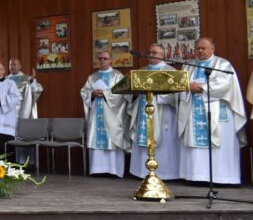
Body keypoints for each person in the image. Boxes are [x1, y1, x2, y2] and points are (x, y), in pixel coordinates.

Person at [177, 37, 246, 184]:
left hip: (217, 110)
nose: (200, 51)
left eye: (203, 48)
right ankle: (196, 176)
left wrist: (201, 88)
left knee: (219, 144)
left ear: (212, 49)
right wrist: (188, 87)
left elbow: (225, 84)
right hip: (193, 109)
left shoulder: (223, 64)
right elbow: (181, 84)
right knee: (195, 146)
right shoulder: (188, 66)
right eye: (198, 48)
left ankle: (223, 178)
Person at [128, 44, 180, 180]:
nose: (151, 54)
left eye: (155, 52)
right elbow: (132, 91)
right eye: (149, 52)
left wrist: (158, 97)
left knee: (164, 141)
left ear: (162, 55)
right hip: (143, 110)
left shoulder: (171, 71)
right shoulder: (141, 71)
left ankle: (165, 173)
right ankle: (141, 172)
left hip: (163, 112)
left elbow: (176, 93)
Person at [80, 51, 130, 178]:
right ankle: (97, 169)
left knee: (112, 138)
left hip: (113, 115)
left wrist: (105, 93)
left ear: (110, 61)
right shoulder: (92, 77)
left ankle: (114, 170)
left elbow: (124, 93)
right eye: (100, 58)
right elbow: (84, 91)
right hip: (97, 112)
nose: (102, 61)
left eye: (105, 58)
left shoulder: (118, 76)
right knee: (96, 138)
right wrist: (92, 94)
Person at [0, 62, 20, 158]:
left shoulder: (10, 83)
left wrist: (0, 99)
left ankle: (10, 170)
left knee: (6, 147)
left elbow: (15, 98)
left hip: (6, 120)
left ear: (3, 71)